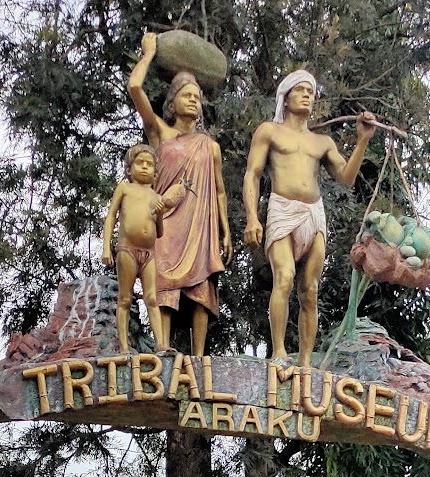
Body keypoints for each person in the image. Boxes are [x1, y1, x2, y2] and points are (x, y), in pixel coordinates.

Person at [242, 71, 378, 364]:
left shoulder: (322, 142)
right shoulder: (269, 131)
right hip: (282, 210)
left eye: (311, 91)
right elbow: (252, 174)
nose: (307, 95)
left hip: (314, 215)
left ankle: (305, 363)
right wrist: (252, 217)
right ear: (286, 97)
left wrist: (362, 141)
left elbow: (346, 177)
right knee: (285, 277)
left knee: (310, 290)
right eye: (300, 90)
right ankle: (278, 351)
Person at [127, 32, 232, 356]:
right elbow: (135, 89)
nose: (193, 100)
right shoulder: (160, 132)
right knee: (165, 282)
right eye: (186, 95)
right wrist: (148, 54)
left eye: (197, 97)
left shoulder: (209, 145)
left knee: (202, 286)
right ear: (172, 102)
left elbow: (219, 191)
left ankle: (199, 356)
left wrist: (225, 231)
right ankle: (162, 345)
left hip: (201, 223)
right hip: (165, 220)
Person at [102, 143, 185, 350]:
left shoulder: (156, 197)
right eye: (140, 163)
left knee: (151, 298)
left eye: (149, 164)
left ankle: (161, 344)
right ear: (129, 169)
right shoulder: (125, 188)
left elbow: (159, 232)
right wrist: (106, 247)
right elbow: (111, 216)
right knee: (125, 298)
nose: (145, 167)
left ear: (156, 173)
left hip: (149, 254)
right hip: (127, 249)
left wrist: (158, 214)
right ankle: (123, 345)